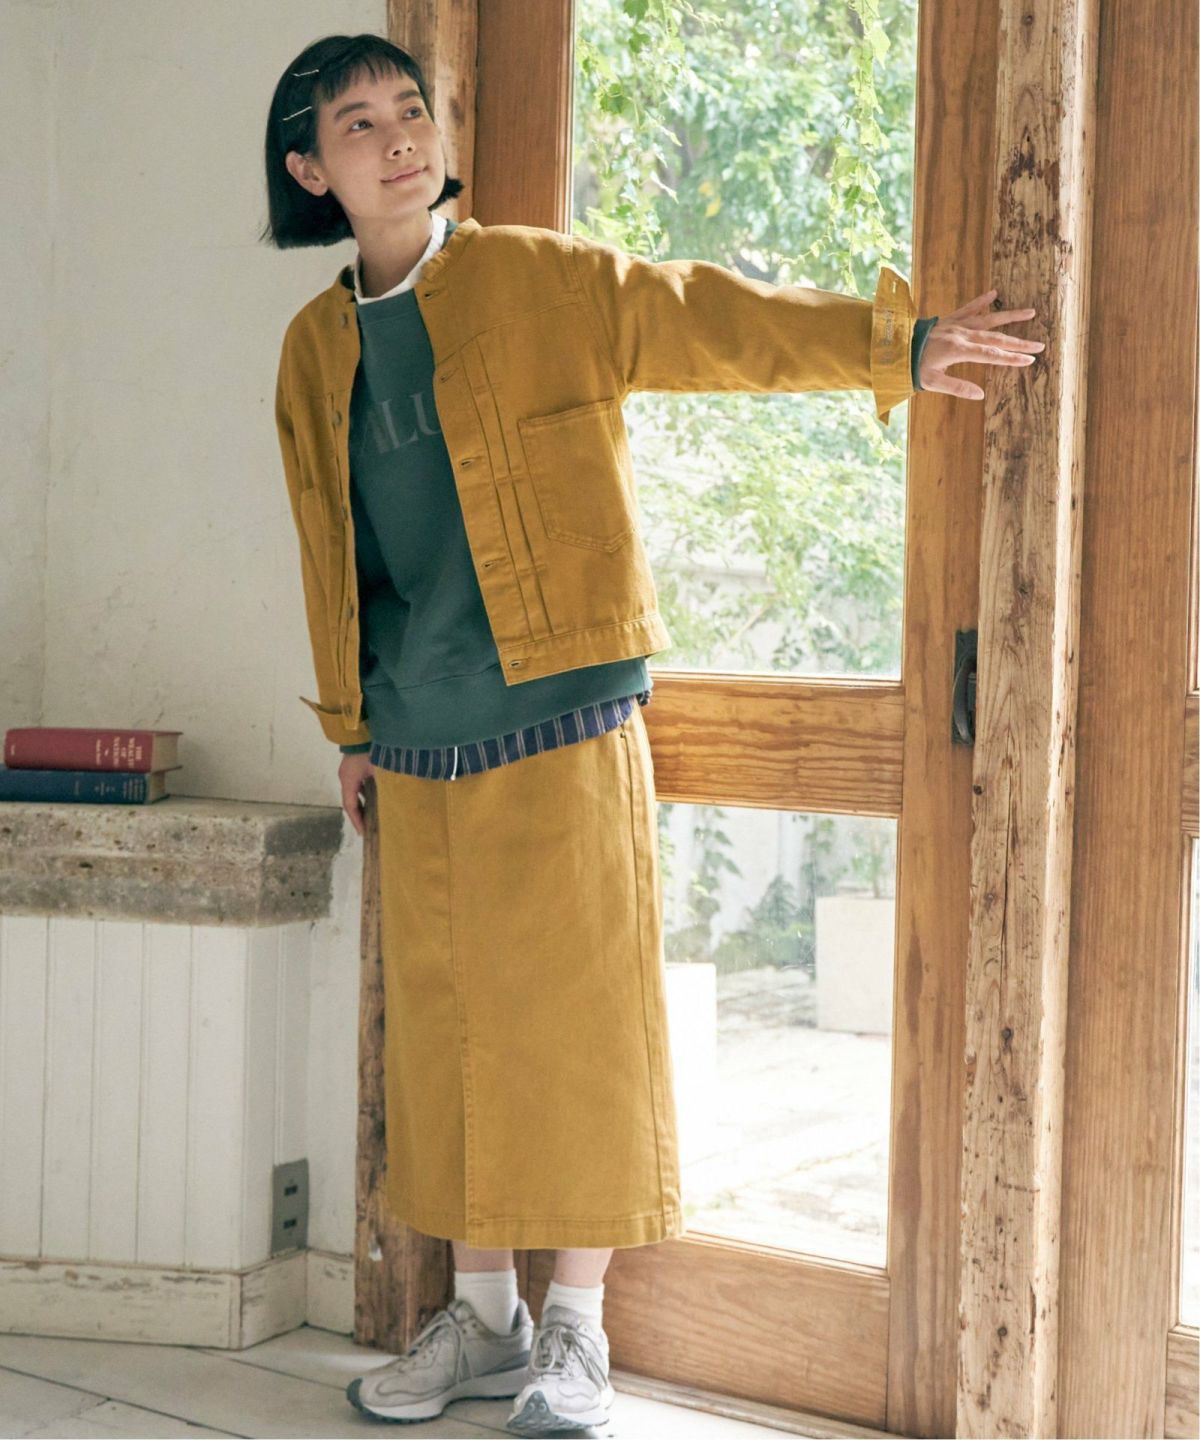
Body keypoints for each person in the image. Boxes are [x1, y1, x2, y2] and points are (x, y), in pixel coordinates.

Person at [262, 31, 1044, 1437]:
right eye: (359, 123)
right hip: (419, 739)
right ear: (311, 170)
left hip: (564, 717)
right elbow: (334, 552)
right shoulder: (312, 351)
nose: (400, 138)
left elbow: (708, 318)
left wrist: (901, 343)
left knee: (582, 1039)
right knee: (447, 1043)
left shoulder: (539, 279)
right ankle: (483, 1323)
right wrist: (354, 728)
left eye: (412, 110)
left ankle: (578, 1331)